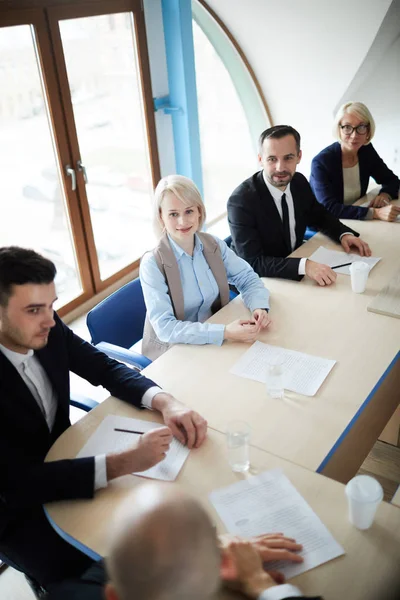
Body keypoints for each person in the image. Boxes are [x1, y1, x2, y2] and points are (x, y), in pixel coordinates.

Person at [0, 246, 207, 592]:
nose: (51, 320)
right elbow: (19, 484)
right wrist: (124, 462)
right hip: (17, 513)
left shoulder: (46, 327)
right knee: (107, 563)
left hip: (67, 458)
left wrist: (165, 401)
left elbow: (101, 365)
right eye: (34, 309)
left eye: (51, 305)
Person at [47, 482, 318, 600]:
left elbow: (103, 573)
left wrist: (179, 565)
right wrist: (259, 582)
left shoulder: (64, 595)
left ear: (112, 595)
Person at [139, 174, 272, 360]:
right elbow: (166, 328)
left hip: (217, 340)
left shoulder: (213, 245)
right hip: (175, 351)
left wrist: (259, 307)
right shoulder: (152, 264)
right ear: (161, 217)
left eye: (189, 211)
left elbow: (247, 278)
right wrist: (224, 332)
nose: (183, 222)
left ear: (199, 211)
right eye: (173, 214)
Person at [227, 125, 371, 285]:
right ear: (260, 159)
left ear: (299, 156)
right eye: (272, 159)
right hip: (258, 281)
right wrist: (304, 265)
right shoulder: (241, 201)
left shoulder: (298, 182)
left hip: (293, 264)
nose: (280, 167)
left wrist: (343, 234)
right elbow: (254, 263)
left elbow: (319, 216)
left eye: (288, 158)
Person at [310, 101, 400, 221]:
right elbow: (329, 208)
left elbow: (391, 180)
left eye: (361, 127)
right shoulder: (321, 162)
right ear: (339, 130)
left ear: (368, 131)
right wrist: (375, 213)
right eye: (347, 127)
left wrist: (385, 195)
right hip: (325, 226)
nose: (354, 135)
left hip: (355, 218)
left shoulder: (365, 150)